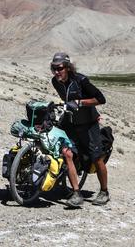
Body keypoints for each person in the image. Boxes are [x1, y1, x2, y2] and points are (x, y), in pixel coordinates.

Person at [50, 52, 109, 207]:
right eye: (54, 68)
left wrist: (79, 103)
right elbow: (66, 100)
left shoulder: (81, 80)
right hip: (71, 123)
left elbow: (101, 99)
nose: (57, 72)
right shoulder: (55, 82)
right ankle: (76, 193)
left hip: (89, 124)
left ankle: (104, 191)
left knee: (96, 158)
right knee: (67, 153)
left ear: (68, 68)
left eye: (60, 68)